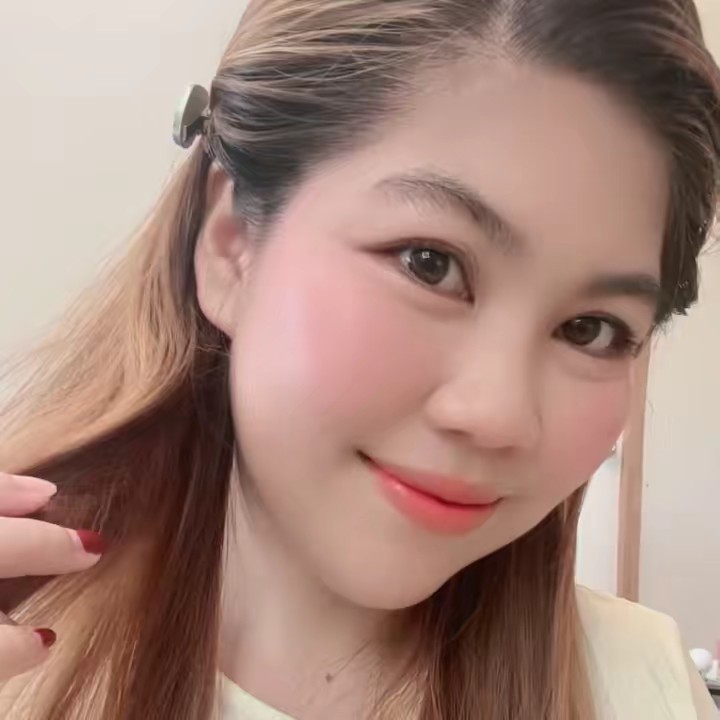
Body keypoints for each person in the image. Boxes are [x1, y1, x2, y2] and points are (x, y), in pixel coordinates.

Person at [0, 0, 718, 717]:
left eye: (591, 329)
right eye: (430, 263)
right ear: (231, 244)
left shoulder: (643, 687)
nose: (499, 415)